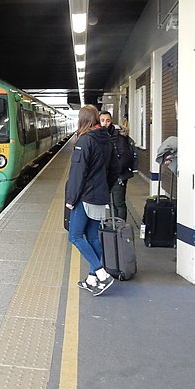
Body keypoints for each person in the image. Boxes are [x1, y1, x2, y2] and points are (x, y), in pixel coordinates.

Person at [65, 105, 120, 296]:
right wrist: (106, 187)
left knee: (75, 236)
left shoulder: (85, 141)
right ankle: (91, 279)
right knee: (94, 237)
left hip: (85, 197)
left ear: (82, 120)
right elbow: (115, 168)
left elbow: (77, 174)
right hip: (100, 196)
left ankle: (101, 274)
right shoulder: (106, 138)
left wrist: (71, 199)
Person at [99, 110, 136, 220]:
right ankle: (114, 225)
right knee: (111, 202)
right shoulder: (102, 136)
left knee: (118, 202)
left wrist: (114, 172)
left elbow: (125, 157)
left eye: (108, 120)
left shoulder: (119, 137)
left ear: (111, 121)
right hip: (109, 175)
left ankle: (121, 228)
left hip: (118, 175)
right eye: (102, 120)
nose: (105, 123)